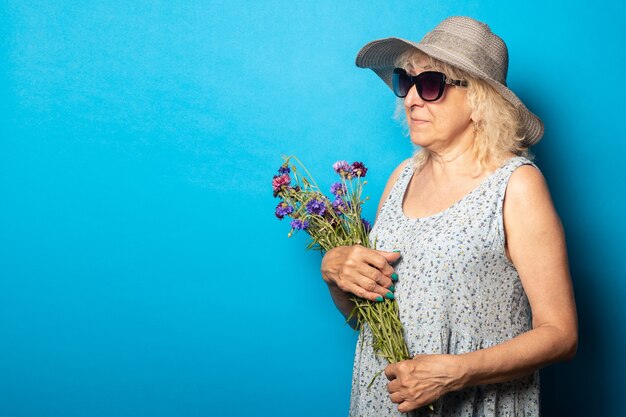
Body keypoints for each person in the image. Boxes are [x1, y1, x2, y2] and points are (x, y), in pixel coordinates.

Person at [320, 16, 577, 417]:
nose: (410, 99)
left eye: (431, 84)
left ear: (478, 100)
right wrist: (337, 277)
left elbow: (561, 335)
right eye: (406, 81)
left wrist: (456, 373)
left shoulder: (515, 186)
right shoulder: (401, 178)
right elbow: (366, 317)